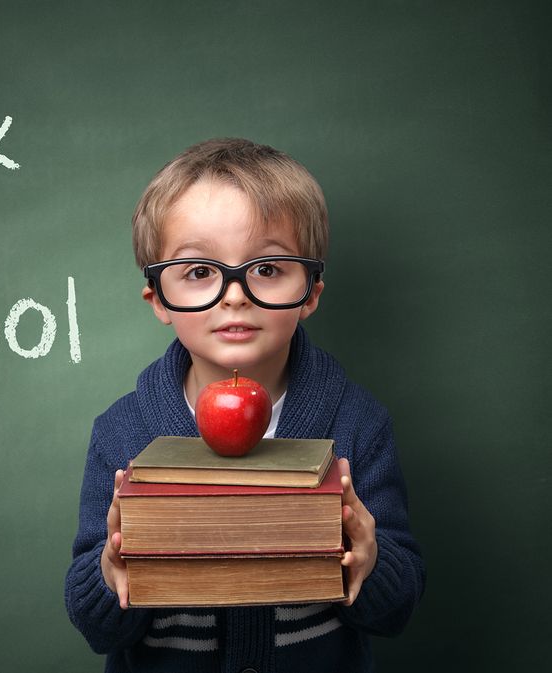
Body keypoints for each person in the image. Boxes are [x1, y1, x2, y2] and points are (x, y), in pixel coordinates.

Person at [64, 138, 425, 673]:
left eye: (268, 269)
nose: (235, 295)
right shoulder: (123, 432)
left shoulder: (357, 423)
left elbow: (395, 611)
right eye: (198, 272)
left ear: (312, 291)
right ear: (159, 299)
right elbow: (96, 627)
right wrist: (112, 572)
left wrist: (368, 563)